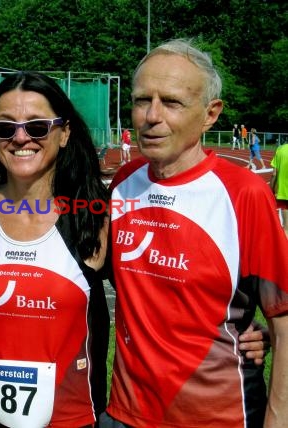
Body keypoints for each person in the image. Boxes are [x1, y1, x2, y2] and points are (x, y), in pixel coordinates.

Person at [105, 38, 288, 428]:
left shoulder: (245, 194)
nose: (151, 116)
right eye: (141, 100)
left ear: (210, 114)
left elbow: (284, 321)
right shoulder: (122, 183)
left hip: (217, 417)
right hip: (124, 414)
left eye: (171, 102)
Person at [0, 71, 111, 427]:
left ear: (64, 132)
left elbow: (154, 292)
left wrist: (244, 330)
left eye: (37, 126)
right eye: (5, 128)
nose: (20, 137)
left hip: (74, 420)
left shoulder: (99, 217)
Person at [270, 140, 288, 238]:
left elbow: (274, 174)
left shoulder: (281, 149)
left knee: (286, 228)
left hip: (284, 193)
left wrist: (271, 189)